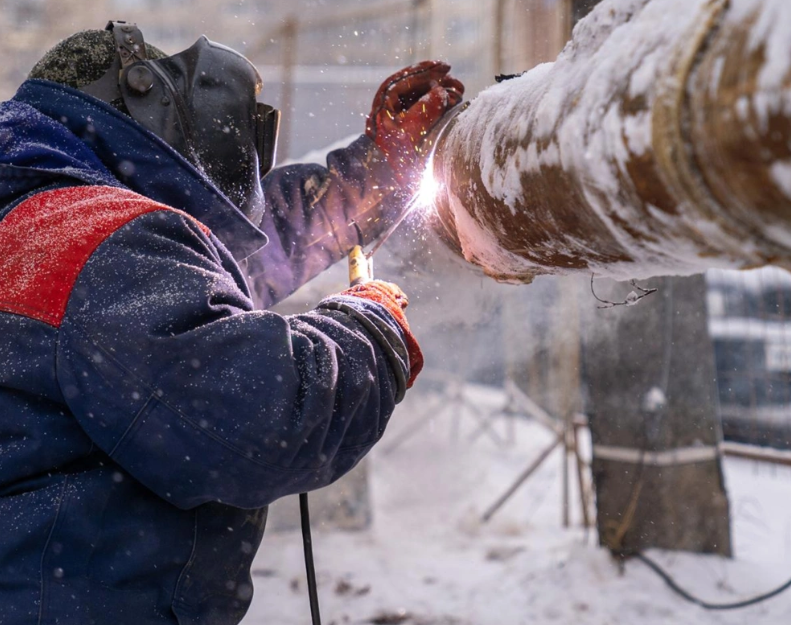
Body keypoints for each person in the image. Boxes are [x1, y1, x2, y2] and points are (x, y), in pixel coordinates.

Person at [0, 21, 463, 625]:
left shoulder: (38, 223)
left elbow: (220, 271)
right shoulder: (93, 241)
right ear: (139, 100)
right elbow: (269, 417)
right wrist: (368, 326)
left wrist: (373, 175)